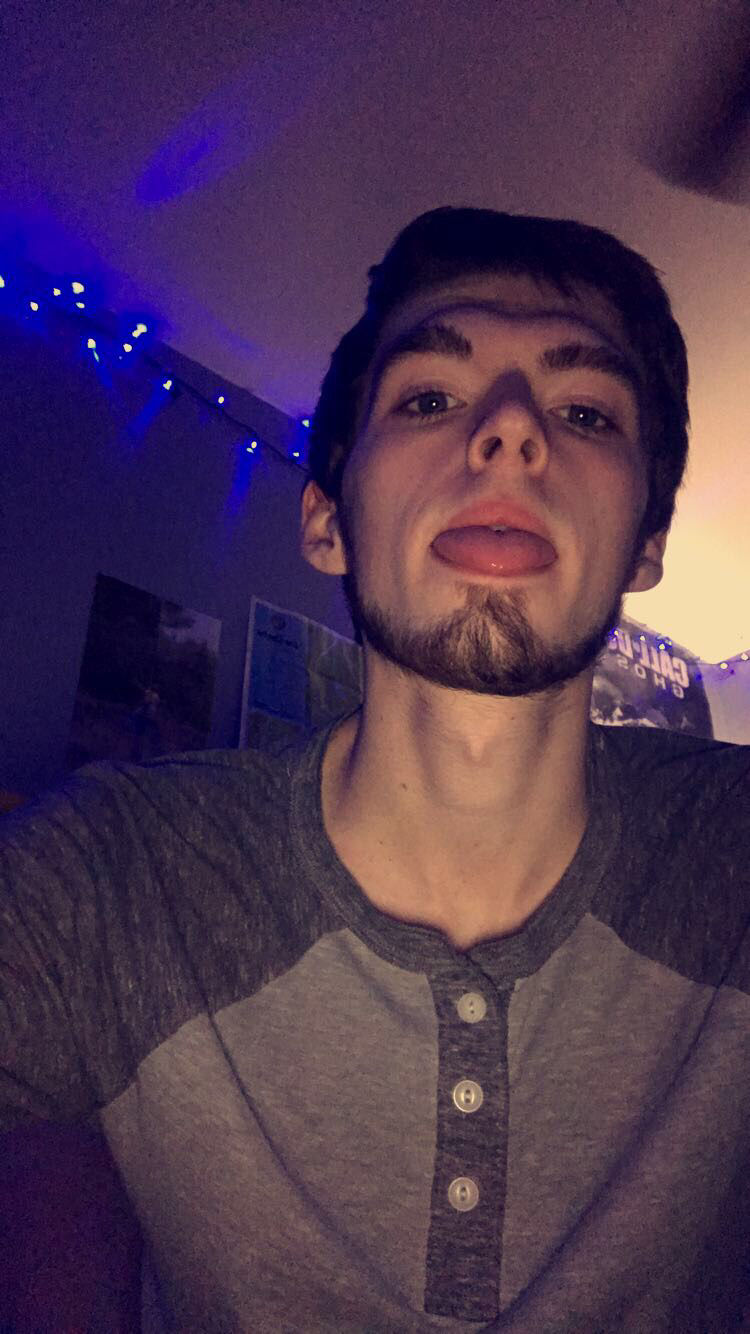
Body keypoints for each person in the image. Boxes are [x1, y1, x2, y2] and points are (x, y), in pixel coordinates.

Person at [1, 207, 749, 1332]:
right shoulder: (98, 879)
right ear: (327, 521)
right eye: (430, 399)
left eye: (586, 411)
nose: (509, 431)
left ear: (647, 539)